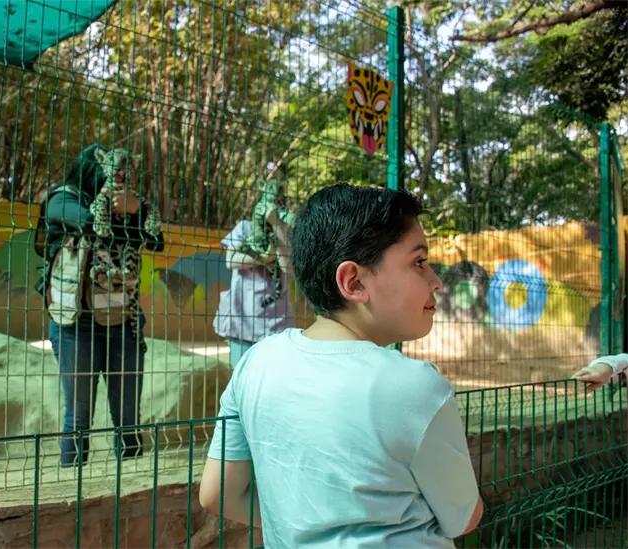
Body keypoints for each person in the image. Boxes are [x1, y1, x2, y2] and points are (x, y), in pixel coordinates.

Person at [199, 183, 484, 547]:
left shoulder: (255, 363)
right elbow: (464, 517)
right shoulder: (415, 386)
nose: (436, 281)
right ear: (353, 281)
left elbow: (216, 494)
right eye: (419, 262)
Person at [40, 144, 164, 467]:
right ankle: (72, 485)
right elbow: (88, 222)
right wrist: (124, 207)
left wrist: (140, 209)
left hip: (123, 320)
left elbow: (156, 241)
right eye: (111, 173)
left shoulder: (127, 204)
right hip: (76, 323)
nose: (119, 179)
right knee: (78, 417)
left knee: (128, 421)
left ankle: (133, 489)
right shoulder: (63, 198)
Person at [214, 199, 296, 367]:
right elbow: (231, 261)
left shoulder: (286, 232)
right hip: (243, 318)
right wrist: (263, 258)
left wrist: (277, 225)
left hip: (277, 322)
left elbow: (288, 267)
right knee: (242, 374)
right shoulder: (244, 228)